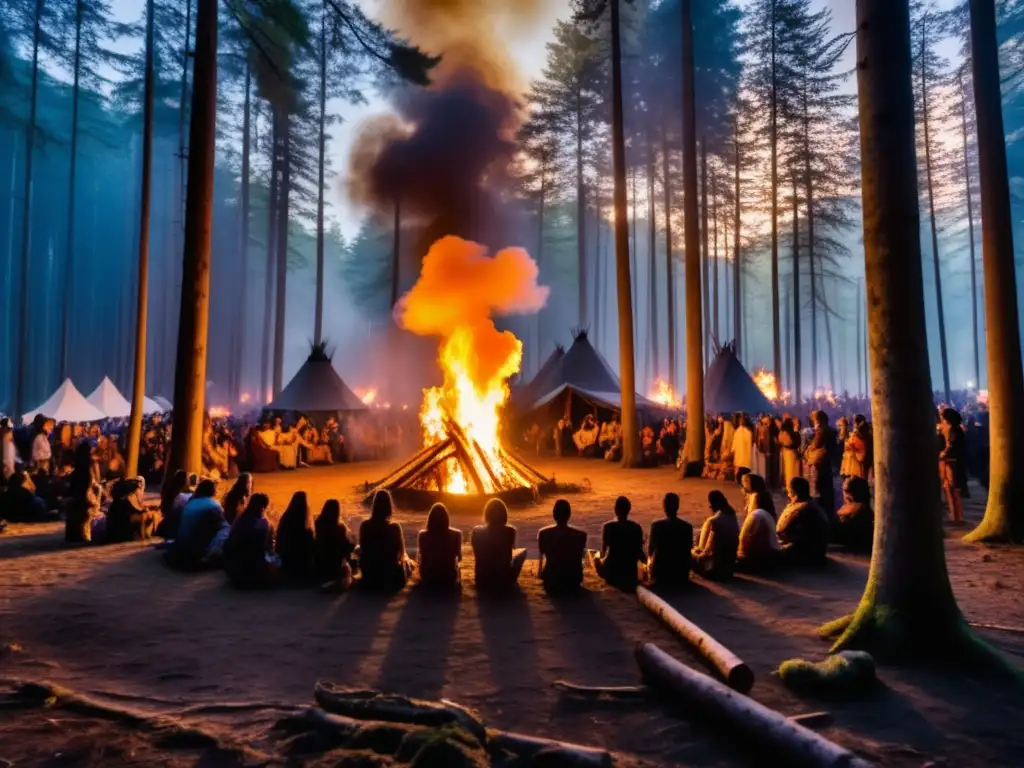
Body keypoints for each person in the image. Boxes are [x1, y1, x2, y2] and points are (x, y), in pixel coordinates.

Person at [166, 479, 229, 570]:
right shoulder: (213, 506)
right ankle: (210, 553)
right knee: (225, 528)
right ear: (212, 491)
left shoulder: (190, 503)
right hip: (197, 552)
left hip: (180, 548)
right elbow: (224, 529)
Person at [358, 490, 413, 591]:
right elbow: (400, 553)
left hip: (369, 578)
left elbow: (363, 550)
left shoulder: (365, 526)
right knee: (406, 560)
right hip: (390, 580)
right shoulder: (394, 528)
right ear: (389, 507)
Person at [471, 498, 527, 591]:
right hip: (502, 580)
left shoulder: (476, 530)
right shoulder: (510, 531)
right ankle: (511, 581)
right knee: (522, 553)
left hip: (481, 579)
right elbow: (510, 553)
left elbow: (476, 553)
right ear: (504, 514)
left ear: (487, 513)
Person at [224, 494, 278, 589]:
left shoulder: (240, 520)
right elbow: (268, 548)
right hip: (254, 572)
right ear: (264, 507)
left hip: (233, 570)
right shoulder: (264, 524)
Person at [593, 496, 646, 590]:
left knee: (595, 558)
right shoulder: (636, 528)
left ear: (615, 510)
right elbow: (640, 554)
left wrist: (597, 559)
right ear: (629, 510)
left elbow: (603, 553)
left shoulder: (608, 527)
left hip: (612, 574)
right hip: (630, 573)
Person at [776, 477, 830, 567]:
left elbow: (781, 530)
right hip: (819, 552)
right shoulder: (814, 505)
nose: (788, 495)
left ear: (793, 493)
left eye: (789, 492)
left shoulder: (800, 508)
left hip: (804, 553)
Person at [537, 499, 588, 592]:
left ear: (554, 514)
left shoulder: (543, 534)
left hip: (553, 581)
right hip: (573, 581)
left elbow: (542, 556)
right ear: (569, 514)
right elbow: (580, 557)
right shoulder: (581, 535)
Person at [647, 492, 693, 586]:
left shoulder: (656, 526)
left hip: (660, 575)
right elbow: (688, 549)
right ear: (678, 506)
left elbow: (650, 551)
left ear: (664, 506)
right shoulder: (687, 527)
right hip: (681, 574)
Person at [692, 490, 740, 580]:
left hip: (715, 570)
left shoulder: (714, 521)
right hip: (729, 569)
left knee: (688, 555)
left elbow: (706, 552)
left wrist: (694, 553)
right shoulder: (732, 516)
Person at [417, 503, 463, 590]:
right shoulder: (457, 534)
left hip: (429, 578)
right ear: (446, 518)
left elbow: (422, 558)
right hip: (448, 578)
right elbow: (459, 558)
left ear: (430, 518)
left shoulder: (423, 535)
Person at [275, 491, 317, 584]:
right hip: (304, 566)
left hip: (288, 565)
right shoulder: (308, 524)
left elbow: (279, 545)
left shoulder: (286, 519)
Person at [315, 499, 356, 590]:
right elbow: (346, 549)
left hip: (319, 565)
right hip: (335, 567)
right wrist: (353, 544)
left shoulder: (317, 524)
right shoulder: (339, 528)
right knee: (352, 562)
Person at [105, 477, 156, 543]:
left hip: (122, 524)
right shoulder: (121, 502)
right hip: (120, 529)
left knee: (147, 515)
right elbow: (127, 515)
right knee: (143, 517)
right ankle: (142, 538)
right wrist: (144, 513)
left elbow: (133, 510)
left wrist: (145, 511)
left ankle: (144, 536)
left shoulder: (121, 501)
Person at [805, 411, 837, 516]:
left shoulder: (822, 431)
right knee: (826, 487)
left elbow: (814, 445)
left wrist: (810, 449)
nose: (814, 422)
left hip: (821, 463)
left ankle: (824, 512)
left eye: (815, 420)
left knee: (822, 488)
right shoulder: (830, 430)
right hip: (826, 462)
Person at [938, 407, 967, 524]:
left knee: (952, 488)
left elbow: (951, 445)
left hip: (952, 461)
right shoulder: (951, 429)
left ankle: (957, 516)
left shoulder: (955, 430)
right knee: (948, 487)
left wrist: (943, 453)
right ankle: (954, 514)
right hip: (949, 461)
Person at [835, 476, 873, 553]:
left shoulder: (859, 507)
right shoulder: (848, 506)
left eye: (846, 491)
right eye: (843, 490)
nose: (844, 495)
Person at [157, 469, 189, 538]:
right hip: (174, 524)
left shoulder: (171, 490)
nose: (188, 480)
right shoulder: (176, 493)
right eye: (187, 478)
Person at [732, 415, 754, 483]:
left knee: (739, 467)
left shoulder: (737, 431)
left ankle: (738, 479)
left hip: (739, 454)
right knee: (745, 467)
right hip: (746, 455)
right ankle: (744, 480)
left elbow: (734, 442)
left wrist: (732, 449)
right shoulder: (749, 432)